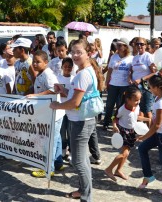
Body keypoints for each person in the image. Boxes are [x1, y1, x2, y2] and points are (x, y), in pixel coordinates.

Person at [50, 39, 103, 201]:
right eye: (72, 52)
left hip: (81, 122)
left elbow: (75, 102)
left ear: (89, 53)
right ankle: (83, 190)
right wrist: (64, 89)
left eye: (79, 52)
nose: (75, 55)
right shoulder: (84, 71)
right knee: (82, 160)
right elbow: (77, 95)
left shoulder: (82, 74)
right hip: (82, 119)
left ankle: (86, 196)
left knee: (79, 162)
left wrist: (56, 105)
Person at [137, 74, 162, 195]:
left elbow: (157, 125)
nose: (149, 89)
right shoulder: (158, 98)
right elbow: (155, 120)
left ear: (157, 87)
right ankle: (148, 176)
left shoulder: (161, 102)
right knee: (142, 148)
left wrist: (144, 136)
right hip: (159, 134)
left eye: (150, 87)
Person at [27, 50, 64, 178]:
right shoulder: (40, 74)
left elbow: (54, 90)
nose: (35, 64)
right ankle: (58, 162)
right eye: (34, 62)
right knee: (57, 138)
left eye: (38, 62)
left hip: (54, 113)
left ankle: (49, 168)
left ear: (46, 63)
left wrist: (36, 95)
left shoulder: (48, 74)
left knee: (50, 141)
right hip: (50, 112)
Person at [105, 85, 150, 181]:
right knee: (124, 153)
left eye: (139, 100)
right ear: (128, 99)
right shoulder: (122, 109)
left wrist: (148, 119)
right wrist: (114, 125)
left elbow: (135, 117)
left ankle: (118, 170)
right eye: (136, 100)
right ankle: (109, 169)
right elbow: (114, 117)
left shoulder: (136, 107)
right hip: (123, 132)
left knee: (127, 153)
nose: (138, 102)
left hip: (131, 132)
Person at [103, 38, 133, 130]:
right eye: (117, 45)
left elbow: (132, 71)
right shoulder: (114, 57)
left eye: (120, 45)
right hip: (113, 84)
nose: (118, 47)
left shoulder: (131, 58)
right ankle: (106, 122)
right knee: (109, 105)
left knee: (120, 106)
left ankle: (117, 123)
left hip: (124, 86)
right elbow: (110, 70)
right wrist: (106, 82)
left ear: (126, 47)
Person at [130, 37, 157, 125]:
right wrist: (130, 78)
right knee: (139, 109)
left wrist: (141, 79)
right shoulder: (134, 58)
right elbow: (132, 71)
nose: (139, 46)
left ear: (146, 45)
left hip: (146, 86)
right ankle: (140, 131)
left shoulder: (148, 56)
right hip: (136, 86)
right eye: (137, 44)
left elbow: (154, 72)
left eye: (141, 44)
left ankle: (151, 133)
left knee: (147, 110)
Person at [57, 57, 74, 160]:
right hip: (61, 110)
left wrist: (65, 92)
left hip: (71, 110)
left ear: (72, 68)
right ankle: (63, 149)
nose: (67, 68)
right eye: (65, 66)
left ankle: (72, 152)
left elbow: (73, 95)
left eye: (69, 67)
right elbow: (56, 92)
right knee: (62, 132)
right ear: (62, 67)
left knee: (71, 133)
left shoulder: (74, 79)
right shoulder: (58, 78)